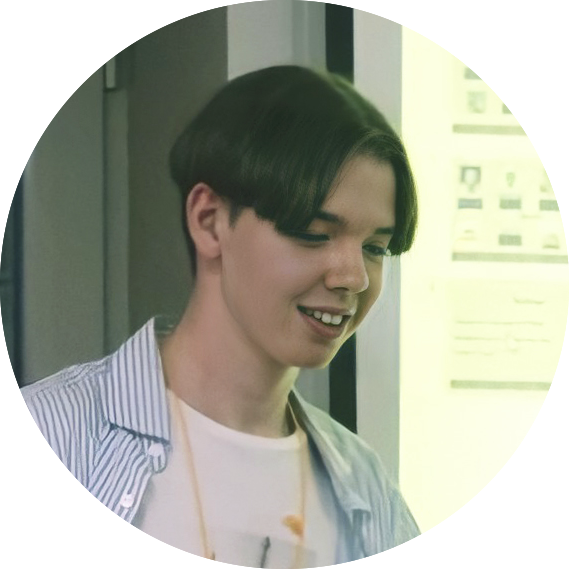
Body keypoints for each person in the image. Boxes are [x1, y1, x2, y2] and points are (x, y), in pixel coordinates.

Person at [20, 65, 420, 564]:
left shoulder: (367, 492)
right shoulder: (60, 431)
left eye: (376, 248)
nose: (354, 277)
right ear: (209, 222)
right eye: (314, 234)